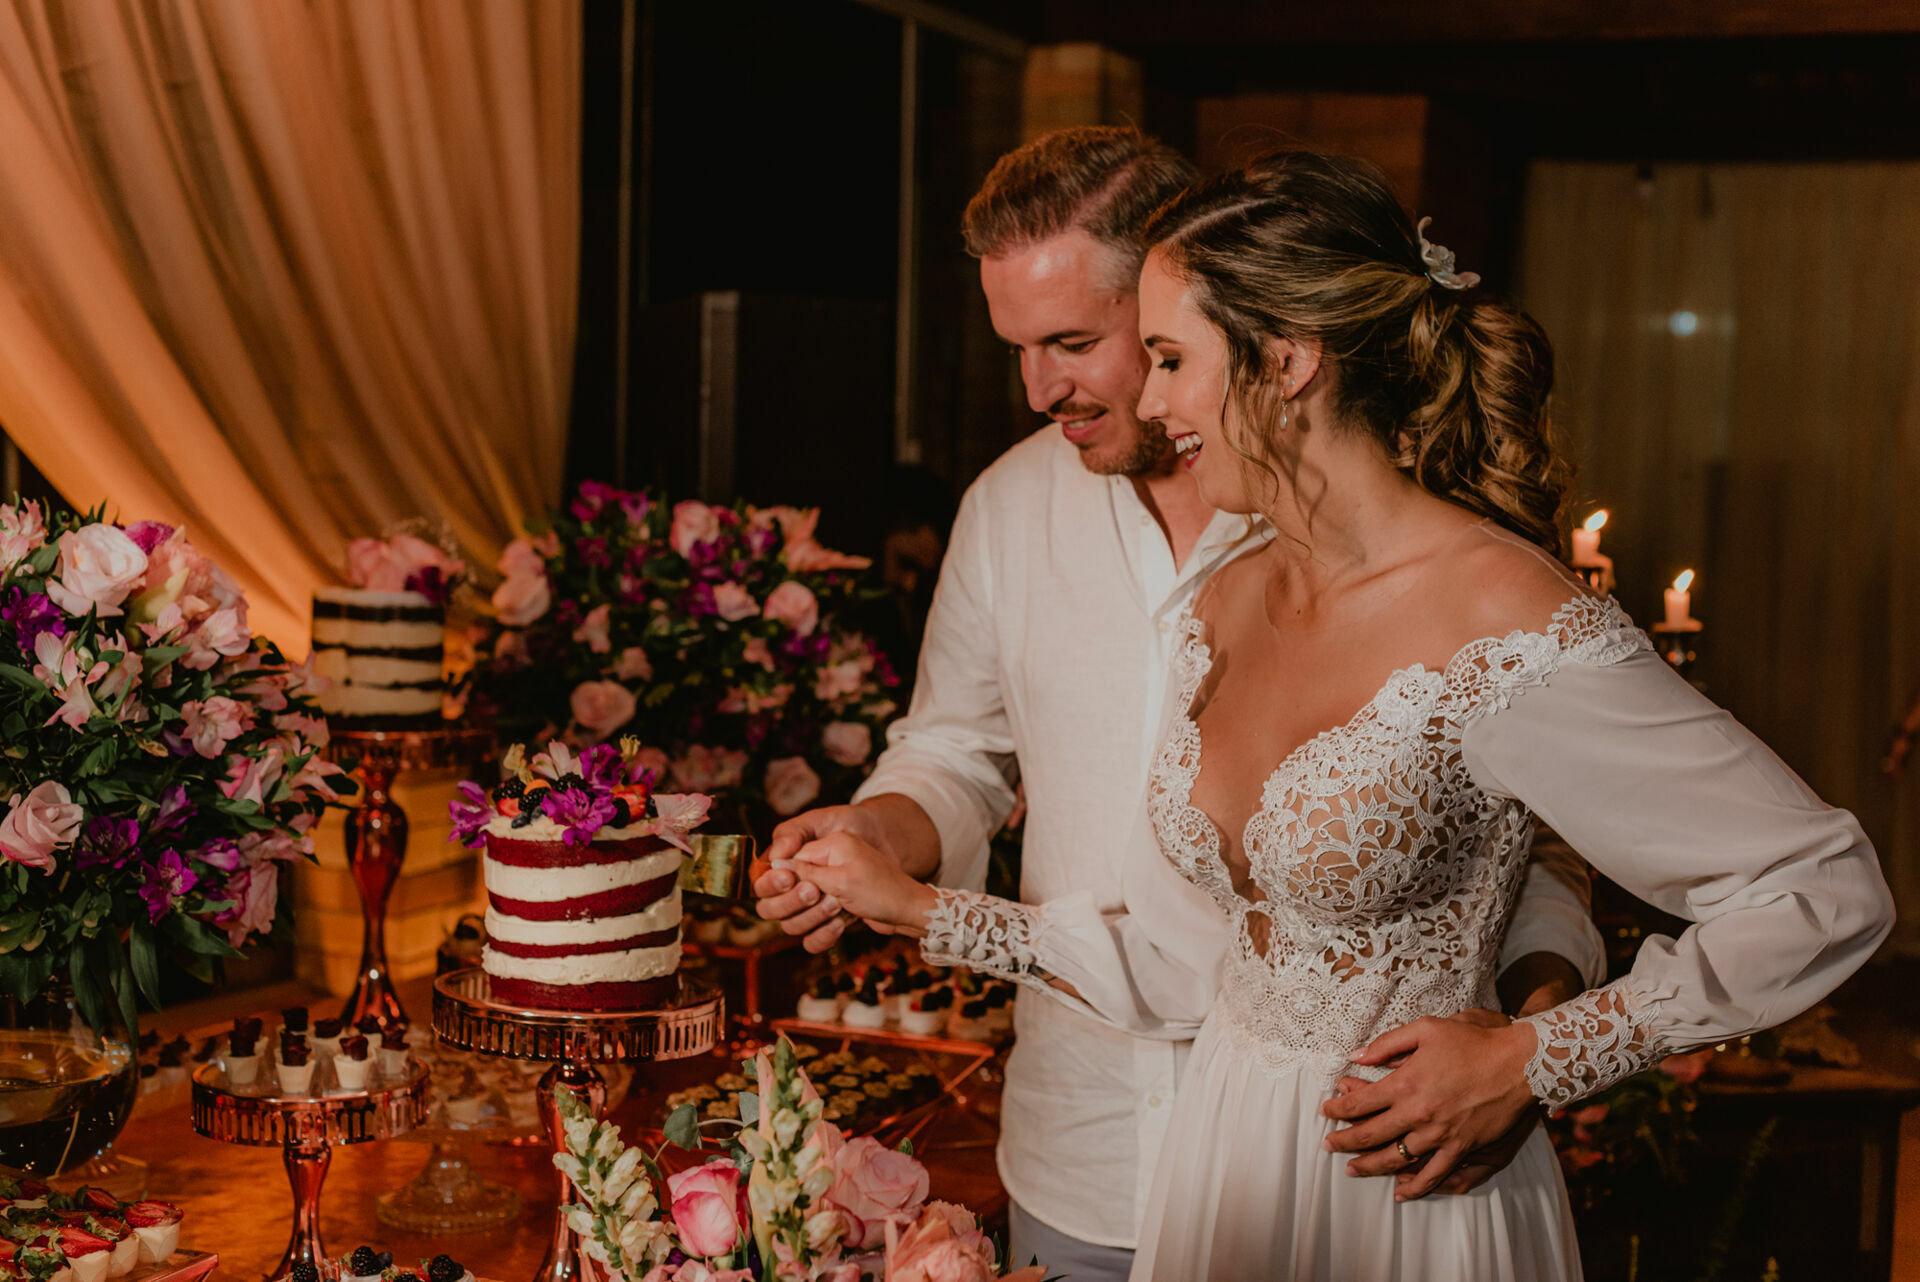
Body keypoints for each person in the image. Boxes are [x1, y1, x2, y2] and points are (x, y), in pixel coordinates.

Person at [773, 150, 1895, 1280]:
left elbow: (1820, 886)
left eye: (1165, 356)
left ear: (1286, 360)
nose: (1150, 398)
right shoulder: (1226, 595)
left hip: (1402, 1199)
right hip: (1214, 1174)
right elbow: (1185, 961)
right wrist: (919, 905)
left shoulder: (1499, 610)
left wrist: (1535, 1055)